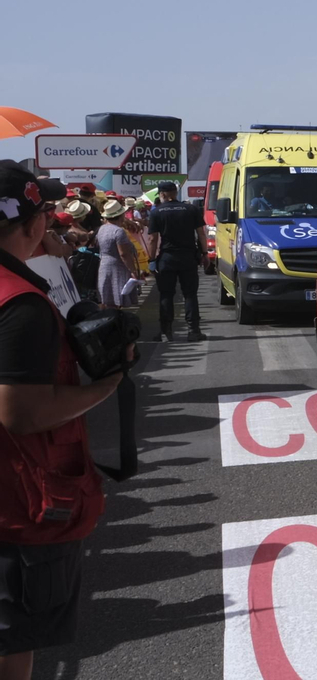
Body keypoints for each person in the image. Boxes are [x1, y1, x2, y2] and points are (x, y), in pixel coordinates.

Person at [0, 161, 125, 678]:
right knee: (14, 644)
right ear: (33, 226)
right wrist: (105, 385)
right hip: (16, 505)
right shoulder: (21, 304)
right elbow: (21, 413)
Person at [148, 181, 206, 343]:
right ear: (175, 193)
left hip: (167, 258)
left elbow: (153, 239)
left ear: (163, 194)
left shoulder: (157, 212)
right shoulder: (191, 209)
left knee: (166, 294)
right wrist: (205, 253)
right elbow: (201, 233)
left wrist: (152, 259)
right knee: (190, 294)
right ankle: (194, 331)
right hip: (188, 257)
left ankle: (166, 332)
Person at [94, 201, 139, 310]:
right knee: (116, 298)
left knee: (107, 298)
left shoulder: (101, 229)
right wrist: (132, 270)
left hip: (104, 265)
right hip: (117, 266)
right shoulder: (118, 231)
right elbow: (123, 254)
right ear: (121, 215)